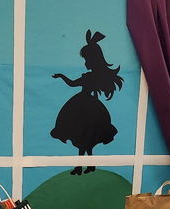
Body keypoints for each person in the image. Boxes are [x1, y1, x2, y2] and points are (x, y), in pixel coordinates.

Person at [51, 30, 124, 175]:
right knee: (86, 139)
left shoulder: (90, 77)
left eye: (86, 59)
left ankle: (80, 167)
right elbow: (72, 83)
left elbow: (72, 84)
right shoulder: (93, 76)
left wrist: (61, 76)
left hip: (85, 109)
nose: (85, 62)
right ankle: (88, 166)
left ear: (93, 59)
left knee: (83, 137)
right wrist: (61, 76)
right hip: (89, 107)